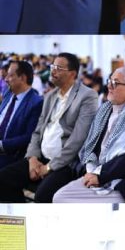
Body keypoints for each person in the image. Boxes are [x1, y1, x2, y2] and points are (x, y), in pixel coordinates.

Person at [0, 53, 98, 203]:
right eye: (52, 66)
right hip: (41, 157)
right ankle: (22, 215)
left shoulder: (87, 96)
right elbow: (37, 132)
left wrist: (49, 167)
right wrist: (32, 158)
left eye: (58, 68)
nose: (53, 71)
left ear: (72, 74)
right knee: (3, 179)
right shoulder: (50, 96)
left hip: (65, 163)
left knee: (42, 195)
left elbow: (78, 139)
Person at [52, 67, 125, 202]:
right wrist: (91, 169)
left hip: (121, 183)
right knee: (58, 196)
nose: (109, 86)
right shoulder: (105, 110)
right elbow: (93, 146)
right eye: (109, 81)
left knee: (62, 199)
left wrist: (100, 176)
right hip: (96, 173)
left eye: (115, 83)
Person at [0, 60, 43, 171]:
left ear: (23, 78)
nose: (6, 79)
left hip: (10, 155)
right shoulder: (8, 93)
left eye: (10, 75)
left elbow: (29, 137)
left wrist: (1, 145)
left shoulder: (36, 103)